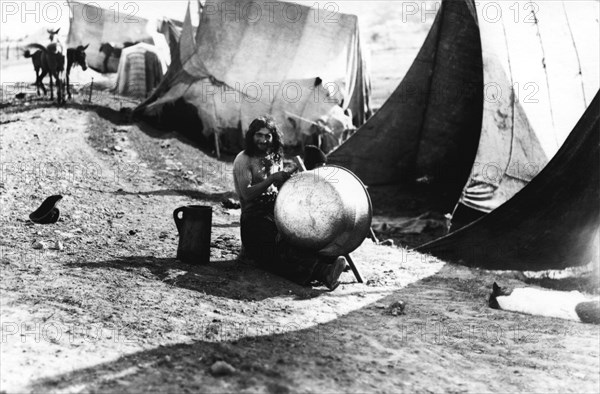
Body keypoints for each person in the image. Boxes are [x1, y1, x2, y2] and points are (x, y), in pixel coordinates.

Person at [233, 115, 346, 290]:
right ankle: (323, 273)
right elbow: (247, 194)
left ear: (273, 137)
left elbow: (277, 189)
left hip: (274, 208)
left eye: (267, 136)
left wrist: (288, 182)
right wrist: (271, 179)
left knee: (303, 228)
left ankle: (327, 262)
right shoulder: (244, 159)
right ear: (251, 136)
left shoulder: (274, 157)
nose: (263, 140)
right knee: (280, 243)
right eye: (259, 135)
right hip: (253, 217)